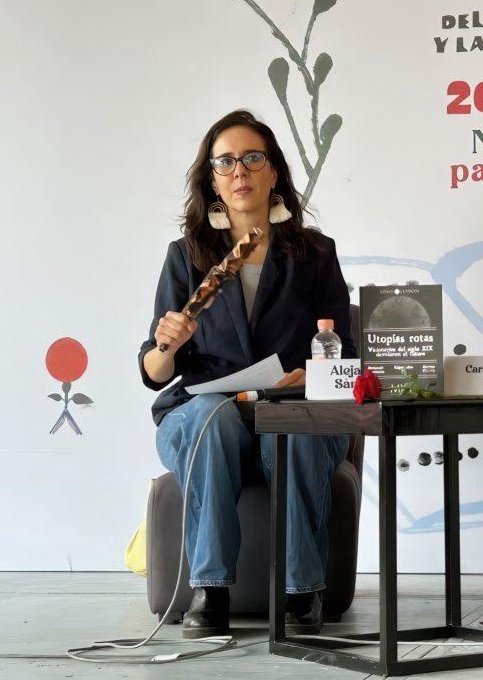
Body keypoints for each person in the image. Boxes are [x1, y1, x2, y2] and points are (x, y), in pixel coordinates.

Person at [138, 109, 356, 639]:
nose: (240, 171)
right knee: (212, 418)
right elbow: (154, 370)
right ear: (212, 180)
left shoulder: (315, 253)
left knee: (298, 428)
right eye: (226, 162)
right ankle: (210, 590)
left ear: (273, 170)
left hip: (289, 409)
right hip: (206, 416)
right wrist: (169, 345)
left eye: (253, 158)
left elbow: (344, 356)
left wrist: (310, 376)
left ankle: (303, 590)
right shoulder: (187, 256)